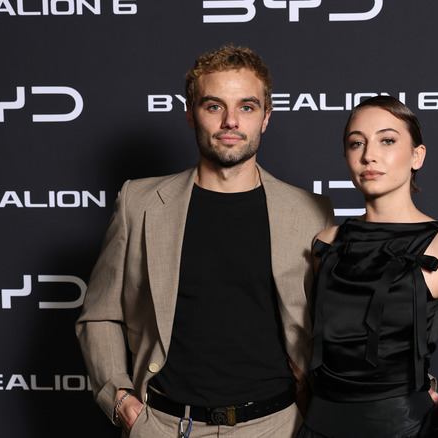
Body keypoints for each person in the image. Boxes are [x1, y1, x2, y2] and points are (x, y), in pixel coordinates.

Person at [76, 44, 334, 438]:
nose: (231, 121)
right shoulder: (139, 202)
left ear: (266, 117)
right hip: (163, 425)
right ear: (190, 114)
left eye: (246, 107)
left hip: (276, 426)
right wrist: (122, 401)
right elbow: (100, 313)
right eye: (214, 106)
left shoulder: (311, 212)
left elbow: (338, 323)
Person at [297, 96, 438, 438]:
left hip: (404, 429)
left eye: (387, 140)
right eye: (356, 143)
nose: (369, 155)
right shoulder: (327, 243)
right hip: (318, 428)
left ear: (417, 156)